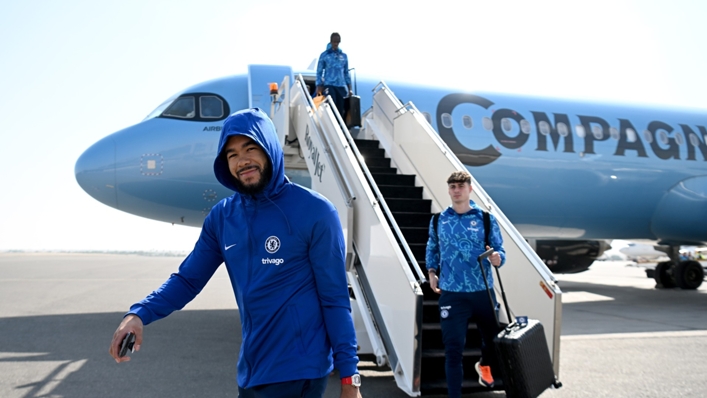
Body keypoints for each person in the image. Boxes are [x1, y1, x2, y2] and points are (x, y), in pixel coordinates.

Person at [108, 108, 362, 398]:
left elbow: (334, 300)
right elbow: (188, 280)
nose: (242, 161)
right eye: (231, 155)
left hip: (299, 372)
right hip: (252, 371)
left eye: (250, 148)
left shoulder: (315, 212)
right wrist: (139, 314)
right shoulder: (223, 217)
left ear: (269, 148)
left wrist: (349, 380)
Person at [425, 170, 506, 398]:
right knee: (453, 350)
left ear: (470, 189)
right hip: (452, 293)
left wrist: (498, 258)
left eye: (461, 186)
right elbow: (432, 248)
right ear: (449, 190)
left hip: (483, 292)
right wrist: (431, 272)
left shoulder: (486, 219)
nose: (456, 190)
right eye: (452, 186)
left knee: (493, 341)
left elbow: (499, 248)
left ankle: (484, 364)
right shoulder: (439, 220)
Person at [316, 32, 353, 117]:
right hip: (329, 84)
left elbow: (346, 72)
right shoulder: (324, 55)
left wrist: (349, 88)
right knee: (332, 103)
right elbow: (319, 71)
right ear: (331, 41)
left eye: (337, 42)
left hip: (341, 85)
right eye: (334, 41)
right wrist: (318, 85)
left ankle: (339, 126)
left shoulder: (343, 56)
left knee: (340, 109)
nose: (336, 44)